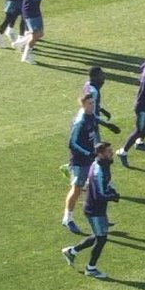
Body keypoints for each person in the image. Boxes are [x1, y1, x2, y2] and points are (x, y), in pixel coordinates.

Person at [61, 142, 120, 279]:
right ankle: (90, 268)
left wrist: (111, 190)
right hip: (94, 209)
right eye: (108, 151)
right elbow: (99, 195)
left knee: (97, 235)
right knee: (101, 238)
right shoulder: (99, 170)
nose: (111, 153)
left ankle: (72, 251)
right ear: (100, 154)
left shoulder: (100, 164)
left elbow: (101, 185)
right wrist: (112, 196)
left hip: (95, 207)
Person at [63, 93, 100, 235]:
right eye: (90, 103)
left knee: (94, 185)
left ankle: (95, 215)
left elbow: (96, 120)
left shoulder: (91, 116)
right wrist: (87, 153)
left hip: (90, 158)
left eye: (93, 102)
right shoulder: (80, 122)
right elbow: (72, 143)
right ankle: (68, 218)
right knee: (76, 189)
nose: (93, 105)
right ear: (83, 104)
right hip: (79, 161)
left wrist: (108, 125)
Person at [13, 0, 47, 64]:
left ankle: (19, 42)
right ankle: (26, 55)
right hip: (30, 11)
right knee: (36, 35)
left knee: (40, 33)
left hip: (33, 9)